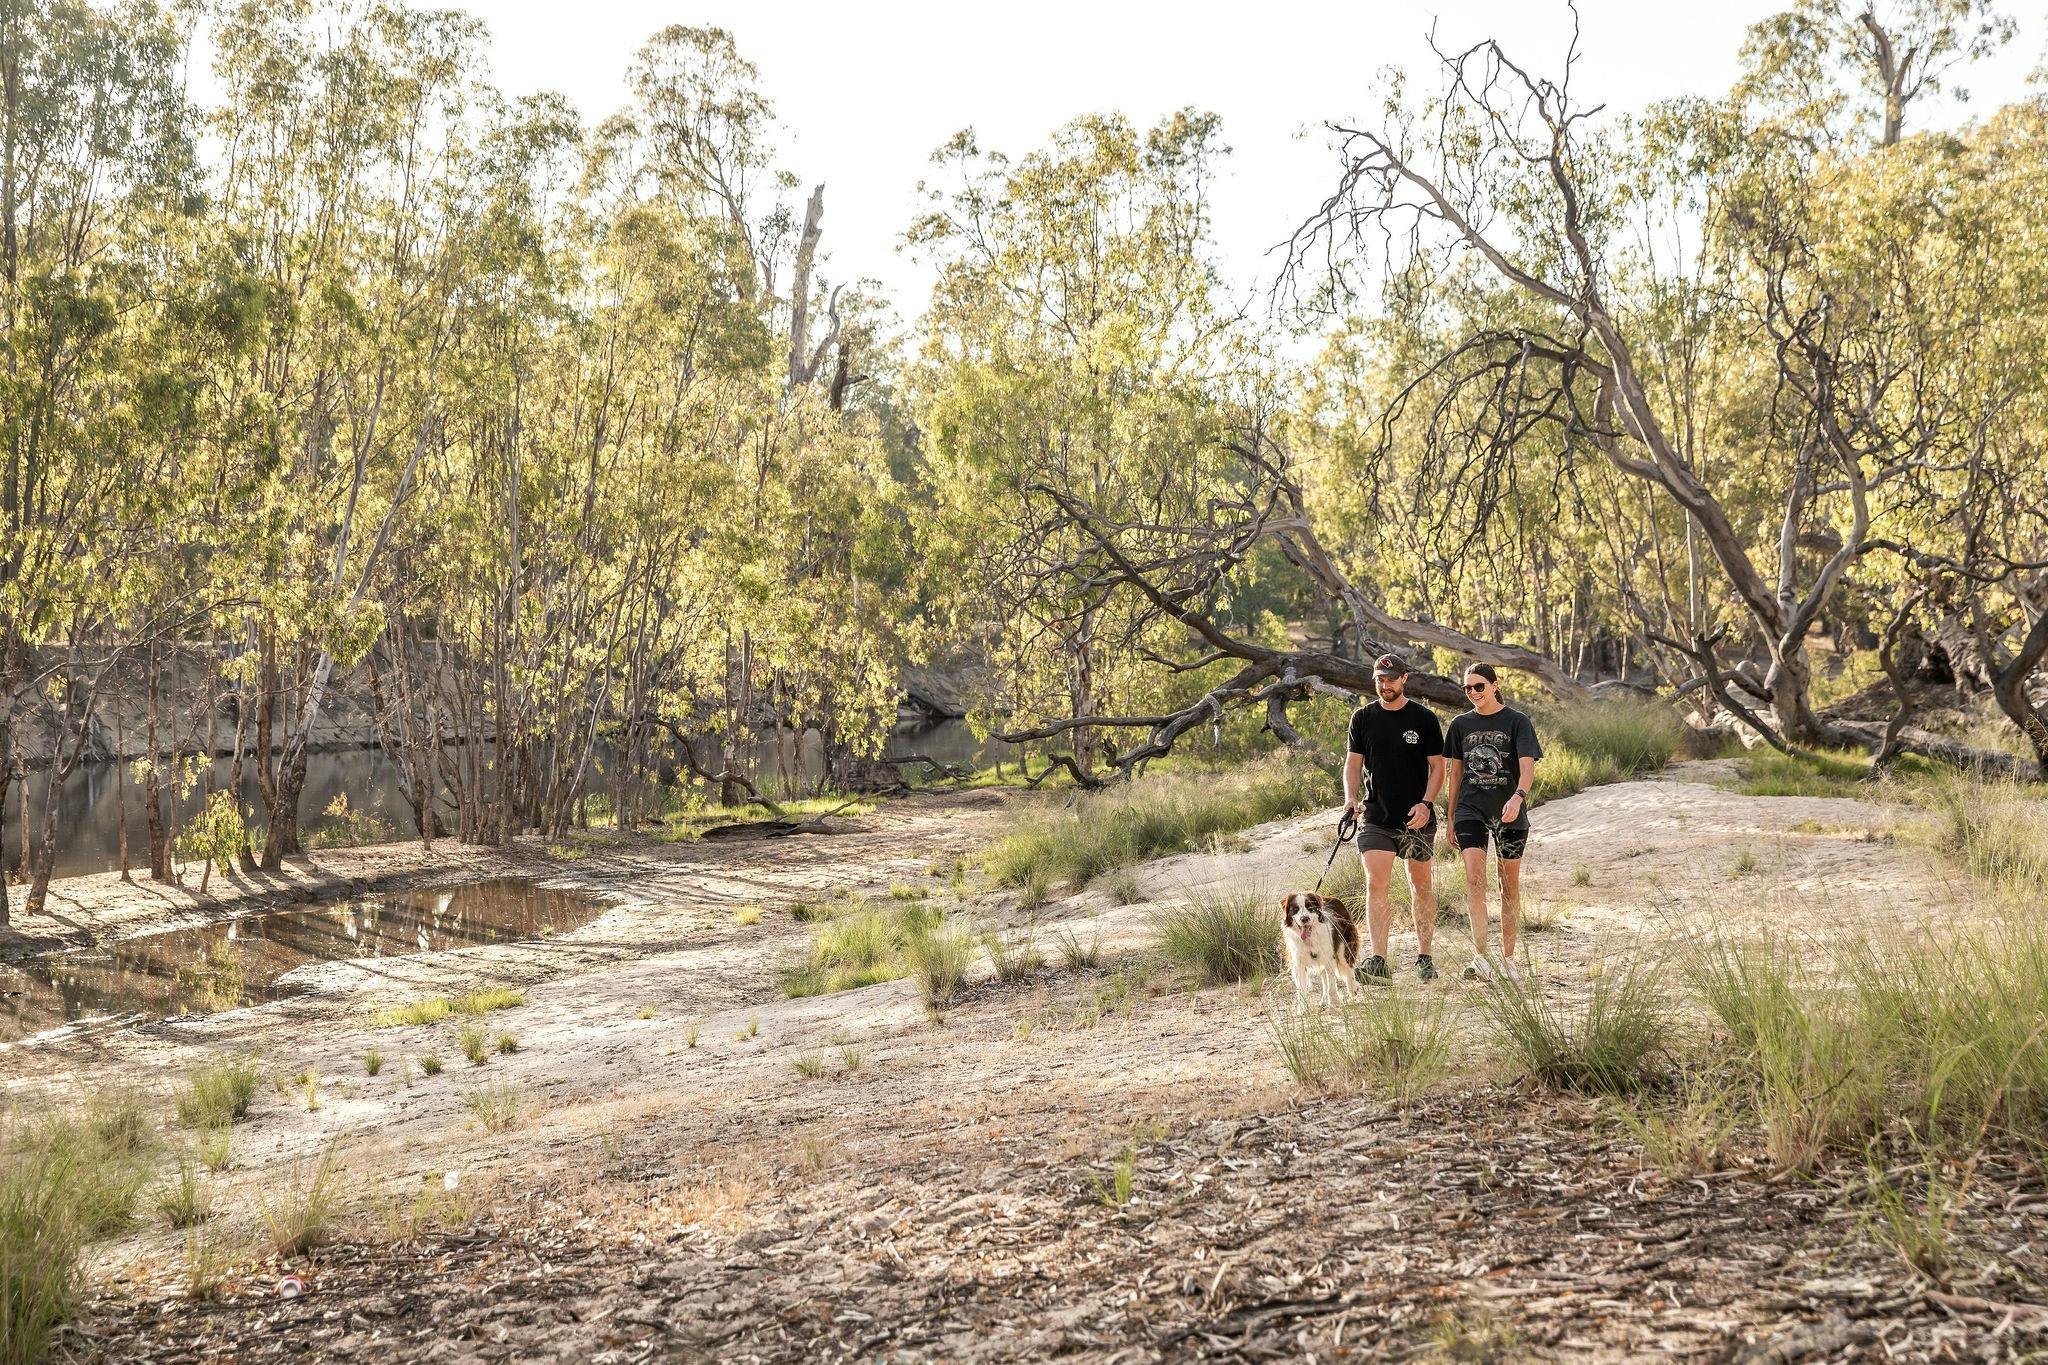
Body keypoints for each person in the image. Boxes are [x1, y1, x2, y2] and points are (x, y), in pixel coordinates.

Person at [1342, 653, 1445, 982]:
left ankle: (1425, 957)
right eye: (1379, 679)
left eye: (1390, 679)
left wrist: (1427, 803)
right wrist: (1350, 799)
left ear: (1404, 679)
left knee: (1420, 886)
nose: (1384, 685)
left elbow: (1438, 767)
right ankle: (1379, 962)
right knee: (1376, 883)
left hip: (1416, 818)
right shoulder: (1362, 718)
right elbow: (1353, 764)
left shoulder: (1424, 719)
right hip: (1377, 817)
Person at [1443, 663, 1542, 982]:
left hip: (1509, 811)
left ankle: (1509, 959)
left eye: (1478, 687)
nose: (1472, 693)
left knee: (1507, 885)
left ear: (1495, 686)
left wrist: (1518, 797)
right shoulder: (1460, 724)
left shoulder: (1517, 722)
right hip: (1470, 809)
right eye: (1467, 688)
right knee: (1474, 880)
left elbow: (1527, 768)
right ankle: (1481, 957)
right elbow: (1455, 773)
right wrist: (1450, 817)